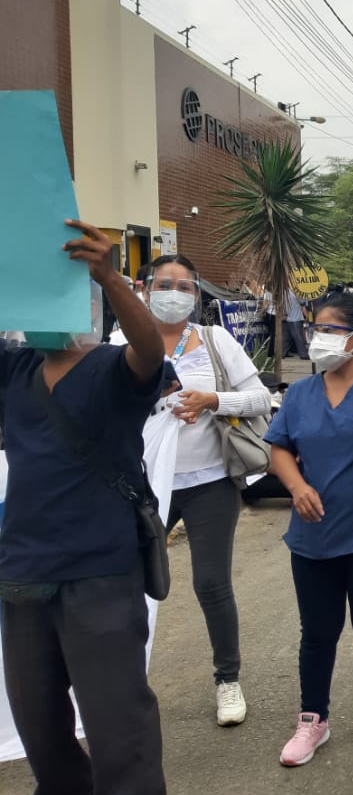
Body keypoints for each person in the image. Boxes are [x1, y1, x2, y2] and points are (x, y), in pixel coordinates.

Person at [1, 220, 173, 795]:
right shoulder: (16, 368)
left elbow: (149, 349)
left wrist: (111, 276)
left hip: (101, 568)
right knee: (35, 707)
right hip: (23, 566)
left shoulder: (113, 368)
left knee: (114, 710)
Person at [112, 255, 271, 727]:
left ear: (196, 296)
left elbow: (262, 397)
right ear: (144, 290)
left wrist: (213, 400)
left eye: (184, 287)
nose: (174, 294)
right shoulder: (118, 343)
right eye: (165, 284)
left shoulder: (215, 340)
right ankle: (121, 682)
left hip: (209, 482)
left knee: (212, 583)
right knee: (124, 583)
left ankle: (228, 680)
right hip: (139, 487)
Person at [265, 292, 353, 767]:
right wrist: (297, 486)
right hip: (313, 538)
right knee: (317, 632)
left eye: (328, 330)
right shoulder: (301, 393)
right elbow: (279, 448)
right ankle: (313, 720)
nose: (317, 338)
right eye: (315, 329)